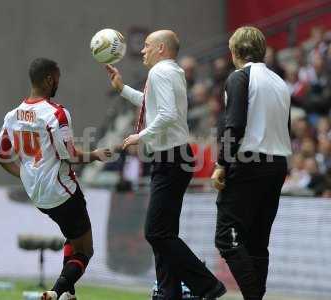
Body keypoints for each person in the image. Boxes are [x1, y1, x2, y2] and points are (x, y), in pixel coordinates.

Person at [106, 30, 226, 300]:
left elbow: (167, 114)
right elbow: (155, 105)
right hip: (175, 157)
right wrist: (122, 89)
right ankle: (168, 292)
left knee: (156, 232)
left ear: (161, 48)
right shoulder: (173, 72)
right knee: (164, 232)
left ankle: (206, 285)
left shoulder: (160, 73)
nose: (143, 51)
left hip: (170, 158)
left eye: (147, 46)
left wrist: (141, 135)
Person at [0, 58, 112, 300]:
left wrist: (25, 175)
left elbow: (0, 156)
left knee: (72, 235)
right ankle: (55, 292)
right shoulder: (56, 113)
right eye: (57, 78)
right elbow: (69, 155)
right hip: (63, 191)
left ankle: (68, 293)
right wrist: (95, 155)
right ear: (49, 79)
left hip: (38, 196)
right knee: (85, 251)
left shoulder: (12, 116)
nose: (58, 82)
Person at [211, 26, 292, 300]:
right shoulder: (280, 82)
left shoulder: (239, 78)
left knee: (226, 237)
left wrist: (222, 163)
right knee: (258, 242)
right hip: (277, 164)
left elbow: (233, 125)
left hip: (249, 163)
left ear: (234, 52)